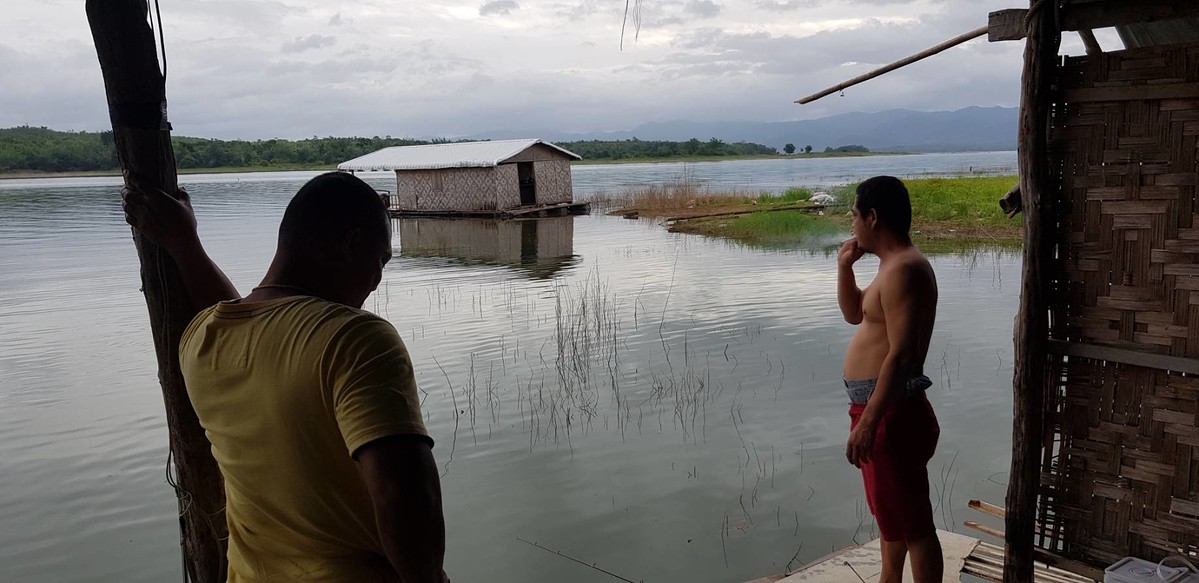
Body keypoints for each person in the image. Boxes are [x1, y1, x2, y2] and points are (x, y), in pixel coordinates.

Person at [122, 172, 447, 583]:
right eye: (380, 260)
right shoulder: (356, 337)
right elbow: (400, 492)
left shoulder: (201, 339)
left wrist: (185, 245)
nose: (377, 280)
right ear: (352, 245)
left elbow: (242, 318)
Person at [837, 176, 942, 583]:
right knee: (892, 514)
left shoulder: (904, 269)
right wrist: (844, 267)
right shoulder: (890, 267)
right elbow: (855, 314)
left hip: (890, 411)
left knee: (915, 524)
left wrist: (870, 422)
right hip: (880, 407)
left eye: (854, 216)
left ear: (873, 217)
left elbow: (901, 356)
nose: (852, 226)